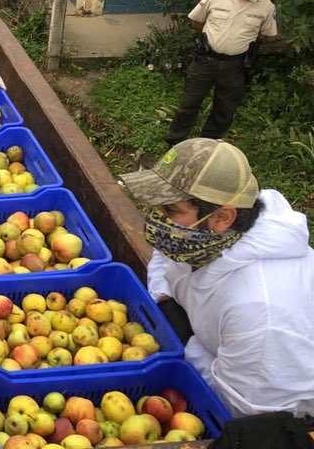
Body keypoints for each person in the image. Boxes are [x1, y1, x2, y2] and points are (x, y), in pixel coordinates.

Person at [119, 138, 314, 417]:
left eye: (169, 210)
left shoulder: (261, 310)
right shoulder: (199, 237)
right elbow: (166, 253)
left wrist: (186, 341)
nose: (155, 218)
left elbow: (240, 409)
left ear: (222, 217)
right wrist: (164, 297)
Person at [165, 0, 277, 146]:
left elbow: (264, 34)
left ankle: (208, 146)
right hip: (206, 60)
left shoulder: (267, 5)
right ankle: (175, 142)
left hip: (236, 65)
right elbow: (197, 22)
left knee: (224, 110)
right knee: (189, 103)